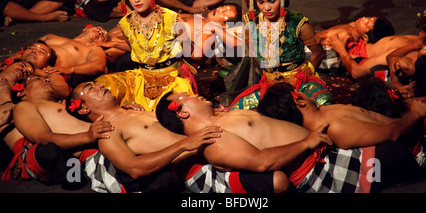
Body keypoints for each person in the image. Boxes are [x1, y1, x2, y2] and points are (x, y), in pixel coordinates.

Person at [156, 90, 426, 192]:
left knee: (402, 149)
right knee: (404, 158)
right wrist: (306, 142)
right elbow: (262, 162)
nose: (194, 94)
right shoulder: (214, 143)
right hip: (320, 171)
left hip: (325, 153)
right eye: (187, 97)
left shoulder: (220, 120)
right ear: (181, 112)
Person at [66, 81, 291, 193]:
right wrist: (185, 145)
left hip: (224, 143)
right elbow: (134, 167)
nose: (99, 86)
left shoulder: (136, 110)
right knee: (277, 181)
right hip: (197, 166)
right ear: (83, 109)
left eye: (96, 83)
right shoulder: (108, 132)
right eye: (91, 87)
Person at [225, 0, 332, 110]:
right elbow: (253, 54)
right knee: (235, 111)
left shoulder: (298, 23)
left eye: (271, 1)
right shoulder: (250, 22)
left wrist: (304, 74)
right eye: (261, 2)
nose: (266, 8)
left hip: (300, 83)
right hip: (271, 86)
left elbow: (318, 52)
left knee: (325, 105)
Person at [95, 0, 197, 111]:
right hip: (141, 76)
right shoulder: (126, 23)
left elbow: (188, 49)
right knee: (101, 85)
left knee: (177, 105)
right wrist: (113, 44)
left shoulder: (171, 18)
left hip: (170, 76)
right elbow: (138, 48)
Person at [1, 75, 114, 188]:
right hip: (85, 149)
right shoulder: (23, 106)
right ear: (21, 93)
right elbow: (43, 138)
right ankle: (71, 174)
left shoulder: (61, 104)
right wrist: (87, 136)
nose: (46, 79)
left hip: (105, 138)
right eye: (38, 79)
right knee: (49, 151)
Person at [257, 82, 426, 149]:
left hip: (405, 125)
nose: (305, 93)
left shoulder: (324, 112)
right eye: (300, 92)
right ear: (299, 101)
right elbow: (394, 134)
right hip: (416, 142)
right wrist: (416, 115)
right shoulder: (335, 129)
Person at [316, 15, 395, 47]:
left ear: (365, 36)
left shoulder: (346, 35)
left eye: (366, 23)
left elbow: (318, 45)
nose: (363, 18)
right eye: (368, 17)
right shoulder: (353, 25)